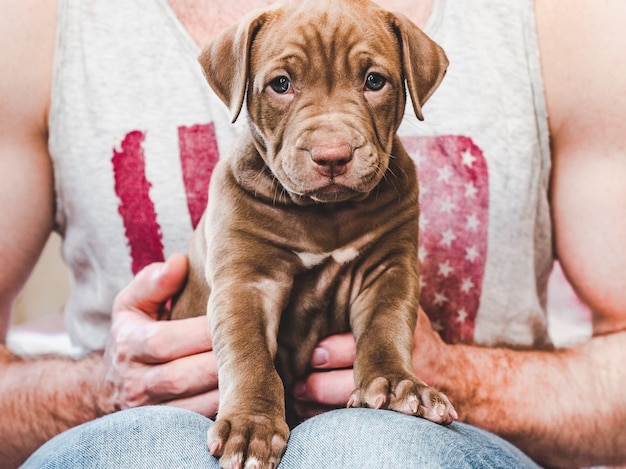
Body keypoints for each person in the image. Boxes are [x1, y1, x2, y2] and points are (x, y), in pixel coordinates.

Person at [1, 0, 625, 467]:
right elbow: (242, 287)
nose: (331, 142)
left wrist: (453, 379)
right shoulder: (43, 23)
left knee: (367, 451)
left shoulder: (558, 18)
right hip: (157, 423)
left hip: (439, 444)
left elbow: (387, 274)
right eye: (282, 84)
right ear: (239, 85)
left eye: (373, 81)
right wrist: (97, 389)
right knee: (140, 453)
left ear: (412, 81)